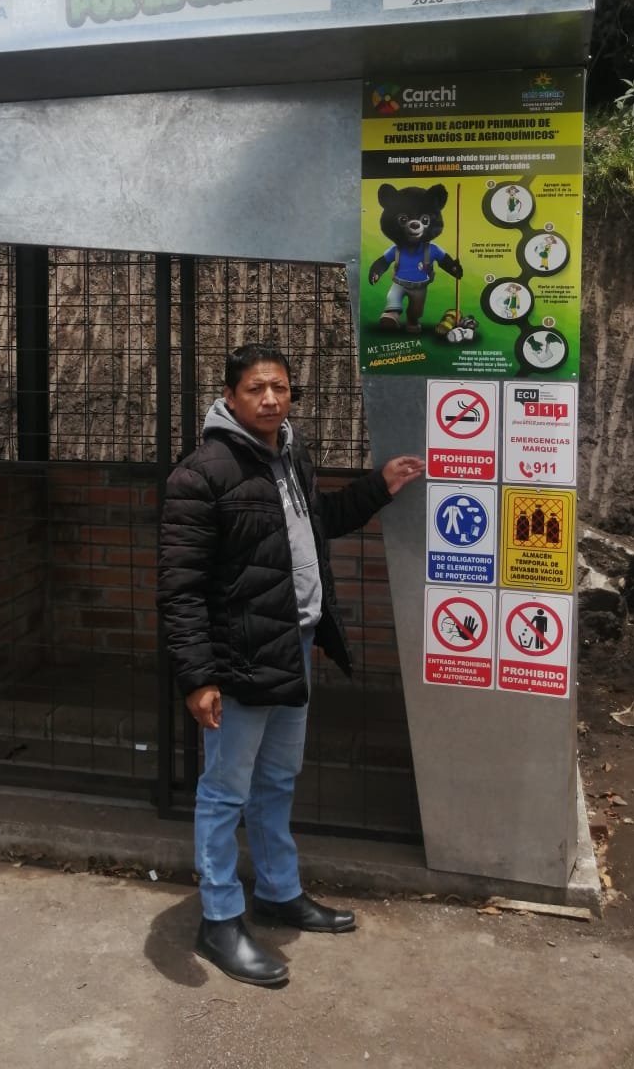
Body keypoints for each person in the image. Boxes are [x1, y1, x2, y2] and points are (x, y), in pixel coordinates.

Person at [157, 342, 424, 987]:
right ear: (229, 396)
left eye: (279, 387)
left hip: (291, 645)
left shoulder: (290, 456)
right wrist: (198, 677)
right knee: (225, 790)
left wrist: (378, 487)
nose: (271, 399)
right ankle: (219, 919)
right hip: (237, 659)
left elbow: (314, 525)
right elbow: (180, 588)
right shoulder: (202, 474)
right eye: (256, 388)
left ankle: (278, 891)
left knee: (277, 780)